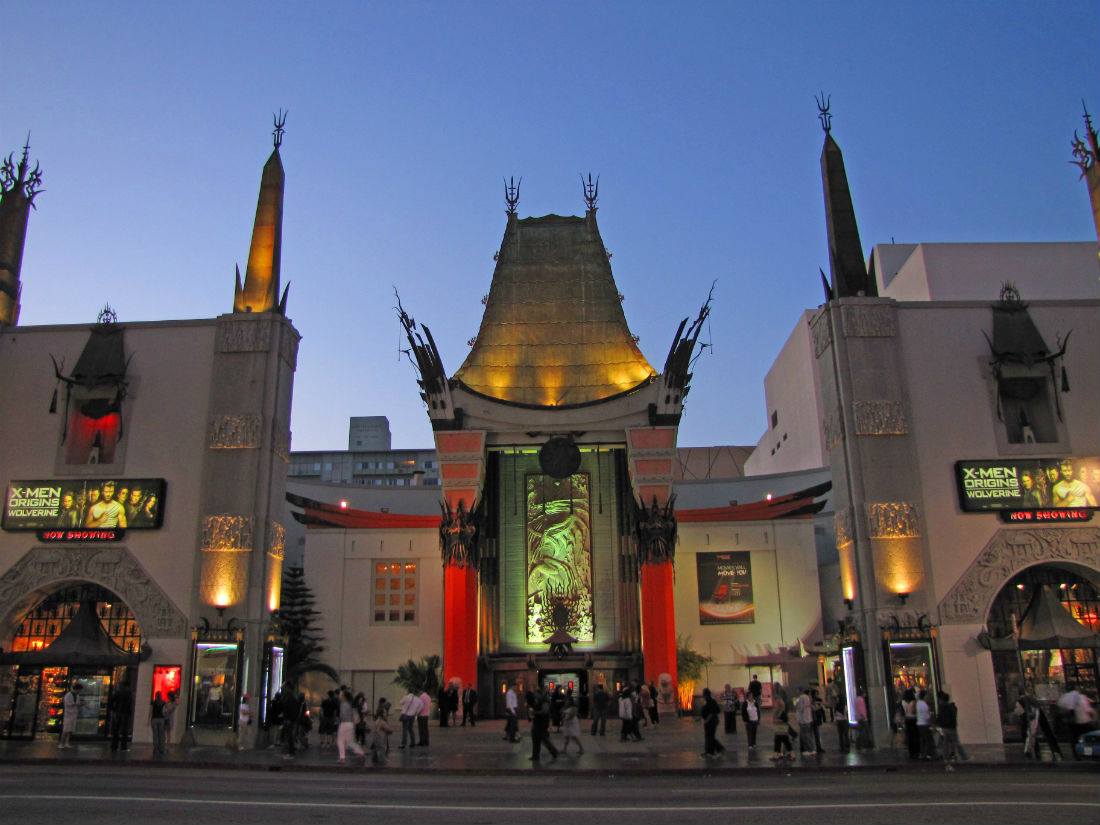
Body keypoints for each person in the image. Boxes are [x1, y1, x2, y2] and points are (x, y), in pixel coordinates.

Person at [1058, 686, 1098, 758]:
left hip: (1072, 723)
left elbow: (1061, 707)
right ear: (1076, 689)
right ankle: (1088, 753)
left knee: (1074, 739)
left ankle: (1076, 754)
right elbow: (1088, 710)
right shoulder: (1081, 697)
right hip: (1084, 722)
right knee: (1089, 738)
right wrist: (1094, 718)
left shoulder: (1064, 697)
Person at [935, 690, 967, 763]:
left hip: (947, 727)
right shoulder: (949, 707)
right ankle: (959, 756)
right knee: (951, 742)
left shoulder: (944, 708)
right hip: (950, 727)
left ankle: (948, 757)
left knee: (947, 743)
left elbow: (941, 717)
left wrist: (939, 723)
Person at [336, 689, 366, 763]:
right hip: (350, 724)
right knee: (350, 741)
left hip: (344, 723)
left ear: (344, 696)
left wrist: (338, 720)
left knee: (340, 741)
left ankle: (342, 758)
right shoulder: (350, 704)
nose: (339, 696)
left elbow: (342, 715)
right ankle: (360, 752)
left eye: (340, 694)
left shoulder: (343, 704)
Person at [529, 687, 559, 762]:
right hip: (538, 721)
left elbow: (544, 711)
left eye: (536, 694)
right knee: (537, 738)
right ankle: (536, 755)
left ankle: (553, 751)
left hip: (542, 722)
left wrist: (534, 713)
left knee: (542, 738)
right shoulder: (539, 700)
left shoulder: (544, 700)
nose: (535, 696)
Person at [108, 680, 133, 752]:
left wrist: (114, 709)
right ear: (128, 686)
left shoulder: (118, 692)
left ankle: (114, 746)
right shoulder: (128, 693)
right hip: (125, 713)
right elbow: (129, 704)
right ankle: (123, 747)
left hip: (118, 713)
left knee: (116, 730)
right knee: (124, 731)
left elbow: (111, 700)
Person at [770, 686, 793, 760]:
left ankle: (783, 754)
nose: (775, 704)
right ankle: (778, 754)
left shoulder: (781, 711)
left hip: (781, 729)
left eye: (776, 702)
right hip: (780, 729)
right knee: (780, 741)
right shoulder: (780, 710)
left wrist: (776, 721)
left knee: (782, 741)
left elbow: (785, 720)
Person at [369, 700, 395, 765]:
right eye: (385, 713)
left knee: (376, 749)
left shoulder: (377, 720)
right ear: (382, 714)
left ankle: (374, 760)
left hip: (376, 738)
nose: (386, 714)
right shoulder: (382, 722)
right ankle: (383, 761)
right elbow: (389, 729)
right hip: (380, 739)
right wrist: (392, 729)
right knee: (381, 750)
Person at [279, 684, 302, 758]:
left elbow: (290, 709)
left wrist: (288, 718)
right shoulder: (292, 697)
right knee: (288, 736)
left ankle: (290, 752)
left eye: (285, 688)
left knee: (289, 736)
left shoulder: (290, 698)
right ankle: (290, 752)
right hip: (289, 719)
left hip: (289, 720)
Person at [701, 687, 724, 757]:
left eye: (703, 694)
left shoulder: (710, 701)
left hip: (711, 722)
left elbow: (712, 712)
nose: (702, 696)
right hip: (709, 722)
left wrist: (707, 720)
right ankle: (710, 751)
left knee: (710, 737)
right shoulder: (708, 701)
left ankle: (716, 749)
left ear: (706, 695)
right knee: (709, 737)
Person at [915, 690, 935, 760]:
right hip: (924, 724)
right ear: (925, 696)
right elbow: (927, 717)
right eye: (927, 695)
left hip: (919, 724)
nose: (928, 697)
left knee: (923, 740)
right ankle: (927, 755)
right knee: (928, 740)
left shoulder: (918, 703)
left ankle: (922, 754)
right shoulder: (925, 705)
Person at [795, 688, 815, 754]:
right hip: (808, 719)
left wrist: (795, 703)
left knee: (804, 735)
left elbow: (799, 708)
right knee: (809, 735)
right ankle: (812, 749)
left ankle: (806, 750)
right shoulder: (808, 697)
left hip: (803, 719)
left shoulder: (801, 697)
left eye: (797, 691)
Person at [901, 688, 919, 758]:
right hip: (913, 719)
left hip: (907, 719)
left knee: (909, 736)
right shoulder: (913, 702)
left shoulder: (903, 702)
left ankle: (911, 752)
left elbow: (903, 711)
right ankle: (916, 751)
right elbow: (913, 711)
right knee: (915, 736)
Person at [150, 690, 167, 755]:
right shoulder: (163, 702)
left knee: (155, 735)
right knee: (161, 735)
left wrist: (149, 720)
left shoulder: (153, 702)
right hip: (161, 719)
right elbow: (165, 712)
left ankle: (156, 748)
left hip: (154, 719)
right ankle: (161, 748)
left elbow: (151, 712)